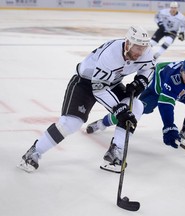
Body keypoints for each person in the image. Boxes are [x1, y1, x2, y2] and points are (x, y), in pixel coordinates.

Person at [18, 26, 155, 173]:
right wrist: (118, 109)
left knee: (136, 106)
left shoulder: (146, 52)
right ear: (127, 43)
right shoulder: (110, 55)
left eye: (143, 47)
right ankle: (34, 152)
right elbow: (99, 89)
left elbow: (149, 68)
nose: (140, 52)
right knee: (71, 123)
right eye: (137, 48)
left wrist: (141, 80)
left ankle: (114, 154)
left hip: (111, 83)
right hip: (85, 83)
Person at [86, 55, 185, 150]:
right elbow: (166, 104)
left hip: (184, 91)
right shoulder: (173, 76)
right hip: (158, 86)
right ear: (181, 69)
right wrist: (169, 127)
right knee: (139, 109)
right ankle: (103, 123)